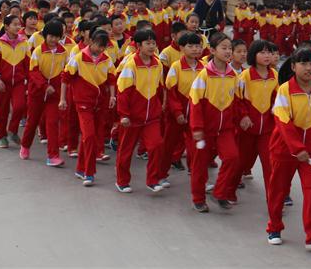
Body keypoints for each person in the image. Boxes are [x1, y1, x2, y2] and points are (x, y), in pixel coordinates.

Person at [265, 46, 311, 249]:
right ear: (293, 66)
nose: (309, 68)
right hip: (284, 149)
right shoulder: (285, 90)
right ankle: (274, 227)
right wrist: (296, 148)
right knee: (278, 190)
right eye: (304, 64)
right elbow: (283, 122)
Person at [189, 32, 241, 212]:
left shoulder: (233, 75)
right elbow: (195, 104)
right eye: (223, 48)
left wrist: (239, 120)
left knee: (232, 158)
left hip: (225, 129)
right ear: (212, 50)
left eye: (230, 48)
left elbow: (236, 101)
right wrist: (197, 128)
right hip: (204, 130)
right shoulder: (203, 76)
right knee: (200, 165)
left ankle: (220, 192)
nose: (228, 52)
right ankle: (198, 198)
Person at [59, 29, 117, 187]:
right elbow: (65, 78)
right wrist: (62, 99)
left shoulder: (107, 59)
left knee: (89, 137)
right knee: (89, 136)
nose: (100, 49)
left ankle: (80, 168)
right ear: (91, 42)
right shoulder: (78, 58)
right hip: (83, 103)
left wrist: (112, 96)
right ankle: (89, 173)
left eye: (104, 47)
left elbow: (112, 79)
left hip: (101, 103)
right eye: (98, 45)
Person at [115, 28, 167, 193]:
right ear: (138, 45)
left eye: (153, 43)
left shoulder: (158, 63)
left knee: (156, 145)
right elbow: (123, 91)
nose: (152, 46)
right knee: (126, 150)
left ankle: (152, 180)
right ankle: (122, 181)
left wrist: (161, 106)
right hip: (132, 117)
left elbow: (160, 88)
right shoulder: (131, 64)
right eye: (148, 43)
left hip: (152, 116)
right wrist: (124, 115)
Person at [158, 31, 204, 188]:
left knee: (196, 148)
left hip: (195, 116)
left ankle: (198, 177)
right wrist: (177, 112)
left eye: (198, 46)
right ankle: (160, 175)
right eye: (190, 46)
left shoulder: (203, 68)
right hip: (176, 116)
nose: (195, 49)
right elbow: (171, 93)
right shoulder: (176, 67)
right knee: (168, 146)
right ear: (182, 48)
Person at [20, 20, 68, 165]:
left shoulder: (64, 52)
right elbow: (33, 71)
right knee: (32, 121)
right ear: (45, 35)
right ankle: (25, 145)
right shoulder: (38, 51)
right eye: (51, 36)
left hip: (55, 94)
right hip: (37, 92)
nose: (53, 40)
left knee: (52, 123)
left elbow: (66, 72)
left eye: (57, 37)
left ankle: (53, 156)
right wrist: (44, 86)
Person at [235, 40, 279, 191]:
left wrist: (275, 109)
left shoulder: (274, 75)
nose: (267, 56)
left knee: (270, 162)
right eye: (262, 52)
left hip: (267, 128)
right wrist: (244, 116)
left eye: (269, 52)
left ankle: (274, 198)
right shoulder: (245, 76)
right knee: (242, 160)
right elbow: (238, 99)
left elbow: (277, 97)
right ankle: (229, 189)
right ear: (253, 55)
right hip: (247, 127)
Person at [0, 14, 31, 145]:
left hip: (19, 83)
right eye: (15, 24)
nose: (18, 27)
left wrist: (28, 81)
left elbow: (28, 63)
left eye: (19, 24)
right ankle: (1, 137)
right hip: (3, 83)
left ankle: (12, 130)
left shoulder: (24, 43)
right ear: (6, 27)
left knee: (20, 107)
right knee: (2, 110)